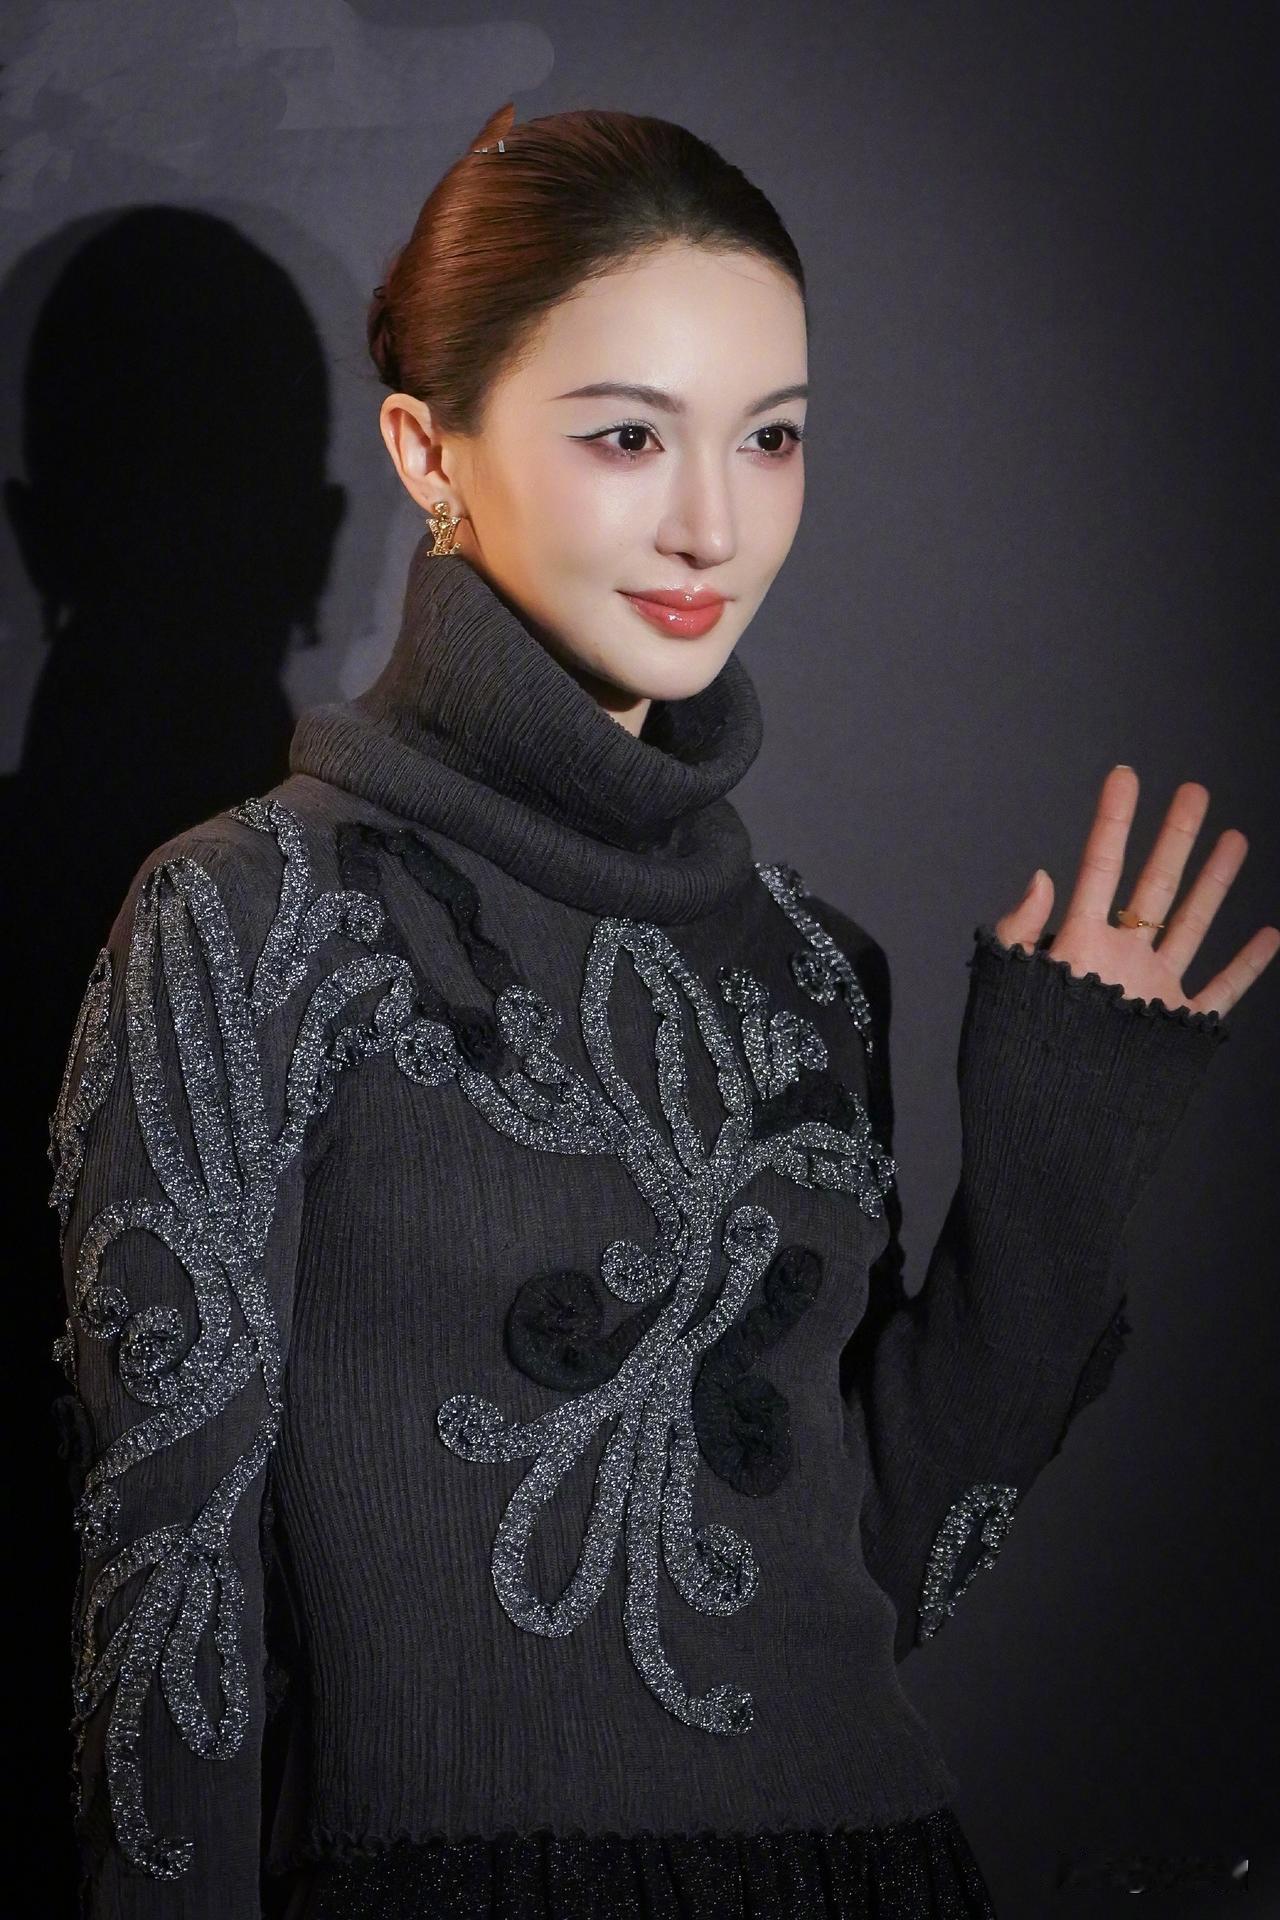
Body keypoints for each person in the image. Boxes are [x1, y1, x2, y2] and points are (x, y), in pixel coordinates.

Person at [47, 102, 1276, 1920]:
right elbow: (166, 1619)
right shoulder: (250, 917)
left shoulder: (809, 965)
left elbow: (871, 1577)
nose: (715, 523)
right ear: (430, 450)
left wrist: (1055, 1171)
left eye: (771, 437)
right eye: (628, 434)